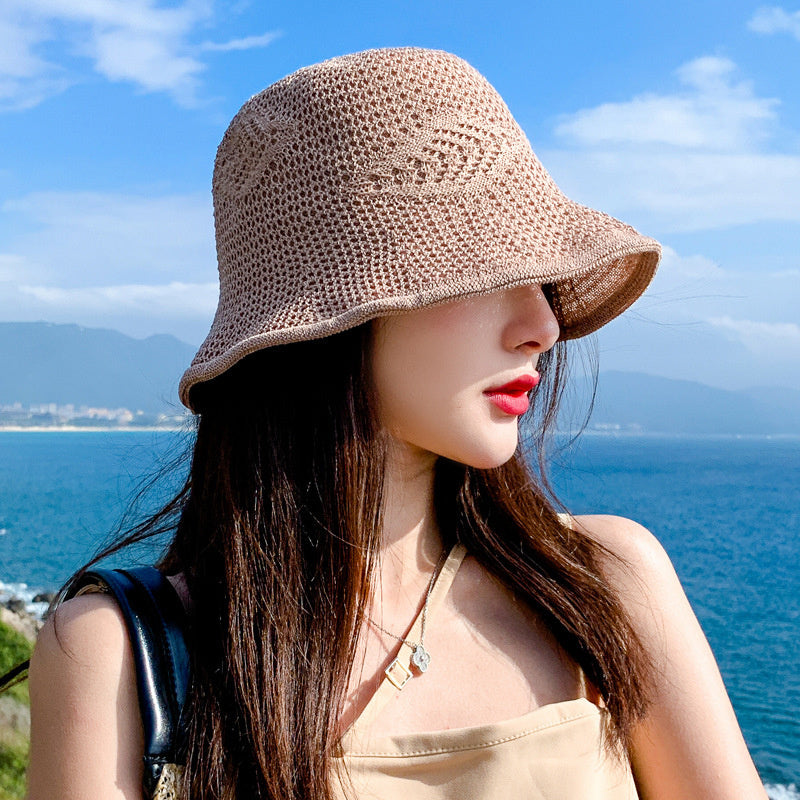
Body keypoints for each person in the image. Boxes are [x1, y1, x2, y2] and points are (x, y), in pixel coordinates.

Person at [24, 48, 767, 800]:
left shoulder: (605, 585)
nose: (544, 323)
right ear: (330, 319)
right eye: (481, 271)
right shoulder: (118, 656)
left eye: (539, 278)